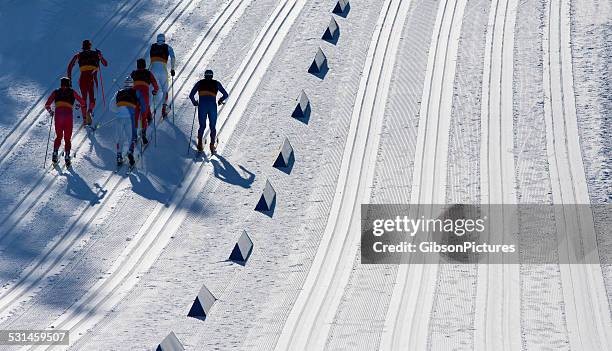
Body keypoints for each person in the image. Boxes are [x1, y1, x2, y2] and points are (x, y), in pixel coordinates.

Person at [45, 77, 87, 166]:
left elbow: (47, 104)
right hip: (68, 115)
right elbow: (83, 102)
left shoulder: (56, 92)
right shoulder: (72, 92)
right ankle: (67, 157)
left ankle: (55, 154)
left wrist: (51, 111)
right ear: (69, 84)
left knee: (59, 136)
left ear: (61, 84)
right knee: (67, 139)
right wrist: (78, 106)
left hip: (58, 115)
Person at [67, 39, 108, 126]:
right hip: (93, 78)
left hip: (82, 79)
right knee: (92, 98)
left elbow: (69, 67)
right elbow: (105, 64)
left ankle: (85, 120)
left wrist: (69, 79)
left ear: (82, 47)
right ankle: (89, 111)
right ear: (90, 46)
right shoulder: (96, 54)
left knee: (83, 99)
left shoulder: (78, 55)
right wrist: (100, 56)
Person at [189, 69, 228, 154]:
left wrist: (195, 102)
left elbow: (191, 95)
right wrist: (220, 100)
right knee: (212, 126)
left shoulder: (200, 83)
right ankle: (212, 145)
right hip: (212, 106)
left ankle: (199, 144)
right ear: (212, 76)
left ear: (205, 76)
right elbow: (226, 94)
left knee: (202, 125)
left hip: (202, 106)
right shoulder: (216, 83)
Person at [110, 77, 146, 167]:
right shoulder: (136, 92)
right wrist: (142, 110)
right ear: (132, 84)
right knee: (131, 137)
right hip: (130, 117)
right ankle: (130, 152)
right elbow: (143, 105)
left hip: (119, 118)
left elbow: (111, 107)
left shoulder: (118, 92)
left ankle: (119, 155)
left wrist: (118, 111)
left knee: (120, 138)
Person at [130, 58, 159, 145]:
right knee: (143, 115)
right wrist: (155, 91)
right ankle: (143, 133)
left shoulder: (134, 73)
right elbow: (155, 84)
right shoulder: (148, 73)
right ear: (145, 65)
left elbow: (129, 80)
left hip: (134, 95)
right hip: (144, 94)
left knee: (135, 116)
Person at [147, 33, 175, 118]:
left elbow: (148, 59)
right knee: (165, 90)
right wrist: (172, 69)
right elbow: (173, 57)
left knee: (151, 90)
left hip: (153, 70)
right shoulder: (168, 47)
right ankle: (163, 109)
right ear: (164, 39)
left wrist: (148, 71)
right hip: (163, 69)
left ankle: (148, 111)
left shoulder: (152, 46)